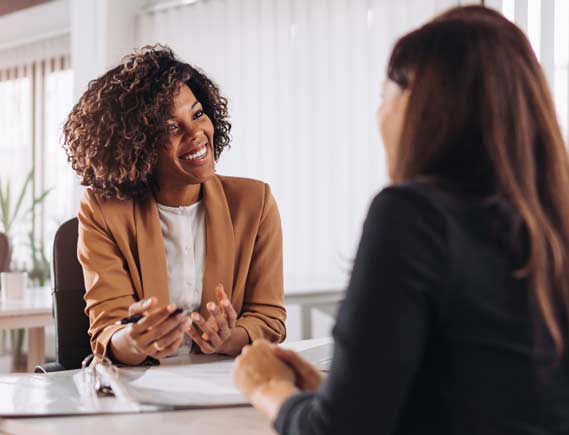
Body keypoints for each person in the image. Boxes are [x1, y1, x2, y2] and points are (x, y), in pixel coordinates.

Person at [233, 6, 569, 434]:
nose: (378, 115)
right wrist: (332, 393)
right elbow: (490, 400)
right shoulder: (550, 222)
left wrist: (267, 388)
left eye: (382, 94)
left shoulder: (412, 216)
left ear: (418, 101)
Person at [63, 46, 286, 366]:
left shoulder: (254, 202)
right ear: (137, 145)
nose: (196, 133)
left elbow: (269, 319)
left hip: (224, 384)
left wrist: (228, 338)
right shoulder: (103, 211)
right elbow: (107, 331)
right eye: (171, 127)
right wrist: (137, 340)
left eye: (197, 114)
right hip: (140, 388)